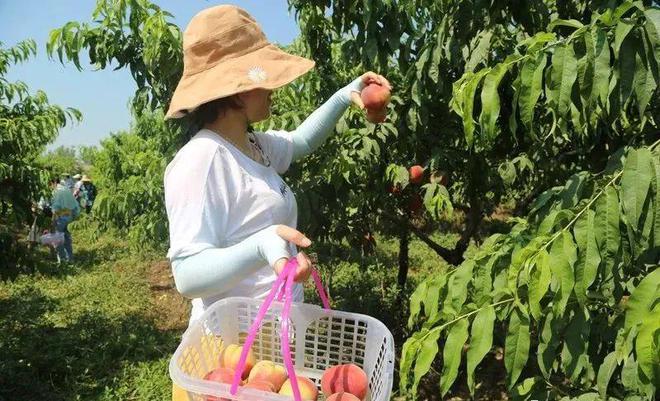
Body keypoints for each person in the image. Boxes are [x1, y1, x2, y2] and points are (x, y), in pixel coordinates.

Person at [165, 4, 390, 327]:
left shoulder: (252, 145)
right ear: (239, 92)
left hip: (273, 342)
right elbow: (187, 276)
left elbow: (302, 141)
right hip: (233, 353)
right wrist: (259, 246)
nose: (273, 88)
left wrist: (344, 96)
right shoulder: (201, 160)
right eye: (265, 79)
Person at [50, 177, 80, 263]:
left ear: (54, 182)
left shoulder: (56, 192)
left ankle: (62, 260)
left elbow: (55, 209)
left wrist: (53, 221)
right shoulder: (66, 190)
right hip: (69, 217)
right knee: (67, 238)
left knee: (57, 239)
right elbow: (76, 207)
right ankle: (70, 259)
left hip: (60, 218)